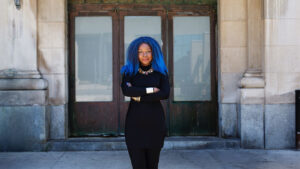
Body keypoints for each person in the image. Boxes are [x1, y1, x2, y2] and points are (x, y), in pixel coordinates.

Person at [120, 36, 170, 169]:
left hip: (155, 125)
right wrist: (151, 90)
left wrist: (139, 96)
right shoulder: (129, 72)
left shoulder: (161, 72)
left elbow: (165, 94)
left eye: (148, 51)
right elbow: (126, 91)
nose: (144, 55)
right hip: (134, 126)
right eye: (140, 52)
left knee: (153, 166)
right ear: (135, 54)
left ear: (154, 52)